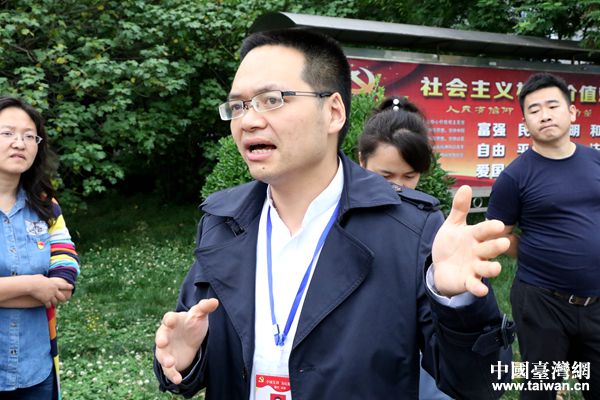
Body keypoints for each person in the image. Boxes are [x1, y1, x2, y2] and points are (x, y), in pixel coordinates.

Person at [154, 29, 514, 400]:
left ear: (333, 112)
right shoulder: (222, 222)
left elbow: (481, 385)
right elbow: (193, 342)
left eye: (271, 100)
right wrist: (185, 358)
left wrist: (457, 304)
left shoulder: (409, 229)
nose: (248, 121)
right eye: (239, 106)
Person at [486, 72, 600, 399]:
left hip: (596, 301)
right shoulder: (515, 176)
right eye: (534, 110)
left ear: (572, 112)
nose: (545, 115)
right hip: (542, 302)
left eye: (552, 106)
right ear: (525, 122)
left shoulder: (595, 161)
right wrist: (537, 252)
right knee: (542, 388)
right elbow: (498, 235)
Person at [359, 96, 450, 400]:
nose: (398, 187)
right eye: (385, 176)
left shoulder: (429, 222)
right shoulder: (337, 215)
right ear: (361, 161)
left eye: (409, 177)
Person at [0, 96, 80, 399]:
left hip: (36, 372)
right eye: (7, 133)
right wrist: (33, 286)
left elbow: (65, 280)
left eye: (29, 136)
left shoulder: (46, 206)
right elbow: (45, 289)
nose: (19, 143)